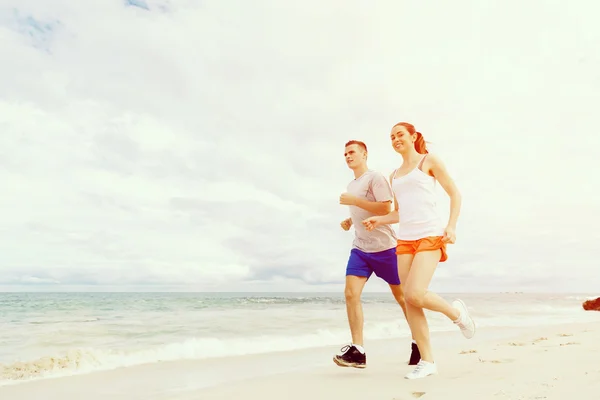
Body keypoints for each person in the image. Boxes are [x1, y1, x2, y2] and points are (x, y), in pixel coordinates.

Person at [362, 122, 476, 379]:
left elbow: (455, 194)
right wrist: (379, 220)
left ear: (413, 137)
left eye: (400, 134)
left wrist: (452, 226)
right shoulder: (394, 175)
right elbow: (400, 212)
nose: (395, 139)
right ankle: (427, 361)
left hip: (430, 235)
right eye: (391, 137)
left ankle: (457, 314)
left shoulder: (428, 161)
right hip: (405, 240)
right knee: (409, 299)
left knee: (415, 292)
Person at [333, 140, 420, 369]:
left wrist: (353, 201)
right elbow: (363, 209)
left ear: (364, 154)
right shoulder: (352, 185)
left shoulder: (375, 178)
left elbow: (386, 208)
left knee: (403, 298)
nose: (348, 156)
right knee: (351, 294)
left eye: (352, 152)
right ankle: (358, 351)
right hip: (361, 249)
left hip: (386, 249)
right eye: (345, 153)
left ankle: (418, 341)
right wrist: (351, 219)